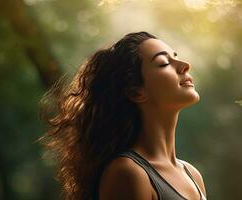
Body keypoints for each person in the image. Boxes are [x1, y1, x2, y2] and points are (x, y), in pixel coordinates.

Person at [39, 31, 207, 200]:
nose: (185, 65)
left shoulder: (193, 175)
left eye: (175, 56)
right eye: (163, 63)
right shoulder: (127, 173)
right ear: (136, 92)